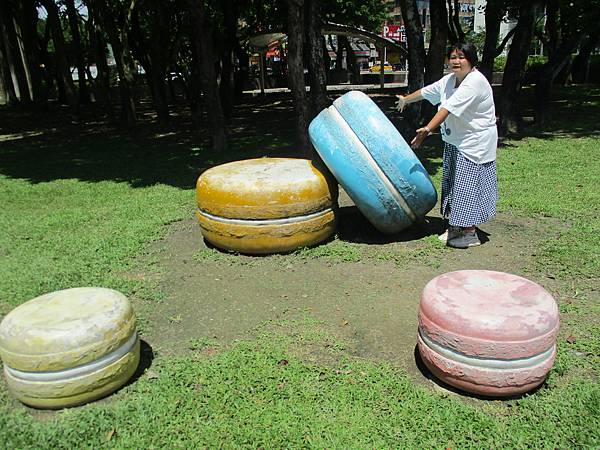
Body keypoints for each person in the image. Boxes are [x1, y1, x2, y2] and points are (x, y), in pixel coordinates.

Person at [396, 42, 498, 248]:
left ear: (471, 60)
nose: (456, 61)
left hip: (474, 143)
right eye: (453, 57)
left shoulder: (475, 82)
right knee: (454, 184)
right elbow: (427, 91)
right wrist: (407, 99)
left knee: (466, 186)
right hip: (456, 140)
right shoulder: (450, 80)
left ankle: (469, 233)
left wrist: (428, 129)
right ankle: (455, 227)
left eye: (461, 57)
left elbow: (448, 109)